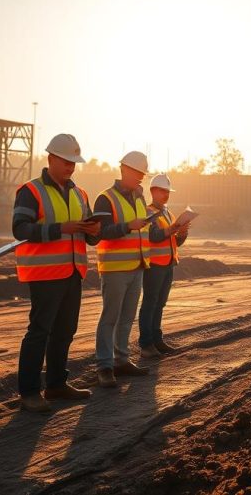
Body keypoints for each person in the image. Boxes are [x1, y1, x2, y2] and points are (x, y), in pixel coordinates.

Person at [12, 133, 101, 412]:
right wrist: (61, 228)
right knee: (39, 332)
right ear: (50, 158)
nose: (71, 167)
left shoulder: (80, 193)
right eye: (66, 161)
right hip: (44, 274)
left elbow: (88, 237)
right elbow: (20, 229)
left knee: (65, 331)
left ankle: (56, 385)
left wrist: (93, 233)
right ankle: (29, 392)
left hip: (73, 272)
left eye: (74, 162)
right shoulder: (31, 190)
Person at [93, 151, 153, 387]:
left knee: (127, 317)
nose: (140, 177)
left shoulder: (139, 198)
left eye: (142, 174)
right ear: (124, 170)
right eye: (137, 172)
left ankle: (121, 360)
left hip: (137, 265)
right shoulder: (105, 199)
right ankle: (104, 366)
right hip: (115, 268)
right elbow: (100, 232)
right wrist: (128, 226)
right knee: (109, 318)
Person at [138, 173, 189, 359]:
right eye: (162, 191)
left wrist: (182, 233)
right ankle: (146, 344)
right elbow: (153, 236)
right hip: (154, 265)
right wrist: (172, 230)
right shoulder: (148, 212)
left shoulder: (168, 213)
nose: (166, 194)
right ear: (153, 191)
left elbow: (174, 242)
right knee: (150, 303)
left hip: (168, 263)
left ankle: (157, 340)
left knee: (160, 303)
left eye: (168, 191)